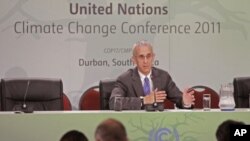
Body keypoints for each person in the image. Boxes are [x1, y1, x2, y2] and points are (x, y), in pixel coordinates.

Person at [109, 40, 195, 110]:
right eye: (141, 57)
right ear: (134, 60)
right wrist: (143, 100)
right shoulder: (125, 79)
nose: (145, 61)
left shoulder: (163, 77)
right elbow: (114, 102)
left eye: (148, 56)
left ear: (153, 57)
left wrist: (185, 102)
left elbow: (178, 98)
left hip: (158, 124)